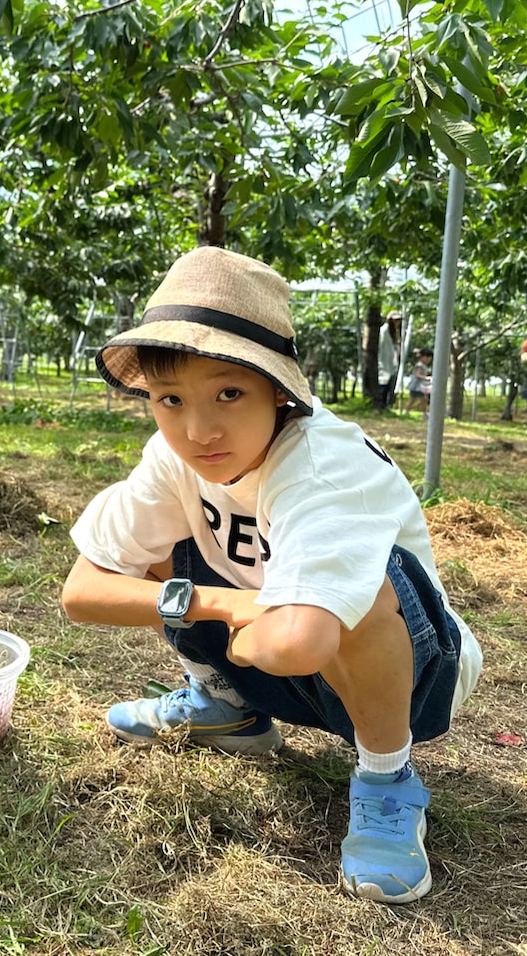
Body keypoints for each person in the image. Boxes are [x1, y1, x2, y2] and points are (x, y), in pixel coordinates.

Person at [61, 247, 481, 905]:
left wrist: (248, 623)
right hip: (266, 642)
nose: (198, 430)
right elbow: (82, 591)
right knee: (159, 548)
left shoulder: (321, 463)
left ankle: (386, 780)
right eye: (170, 399)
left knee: (363, 587)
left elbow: (298, 642)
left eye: (228, 393)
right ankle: (227, 706)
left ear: (278, 389)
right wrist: (224, 605)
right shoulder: (173, 458)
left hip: (409, 677)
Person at [377, 310, 403, 408]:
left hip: (391, 362)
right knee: (384, 383)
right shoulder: (384, 331)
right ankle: (382, 404)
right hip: (384, 361)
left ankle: (387, 405)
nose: (397, 322)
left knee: (390, 385)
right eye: (395, 320)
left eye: (399, 320)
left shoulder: (394, 332)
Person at [405, 349, 433, 416]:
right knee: (414, 399)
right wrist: (426, 378)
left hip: (421, 386)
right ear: (423, 357)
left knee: (423, 399)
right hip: (417, 386)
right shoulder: (420, 365)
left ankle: (424, 413)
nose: (428, 360)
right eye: (427, 358)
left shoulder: (423, 365)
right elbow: (417, 375)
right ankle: (407, 411)